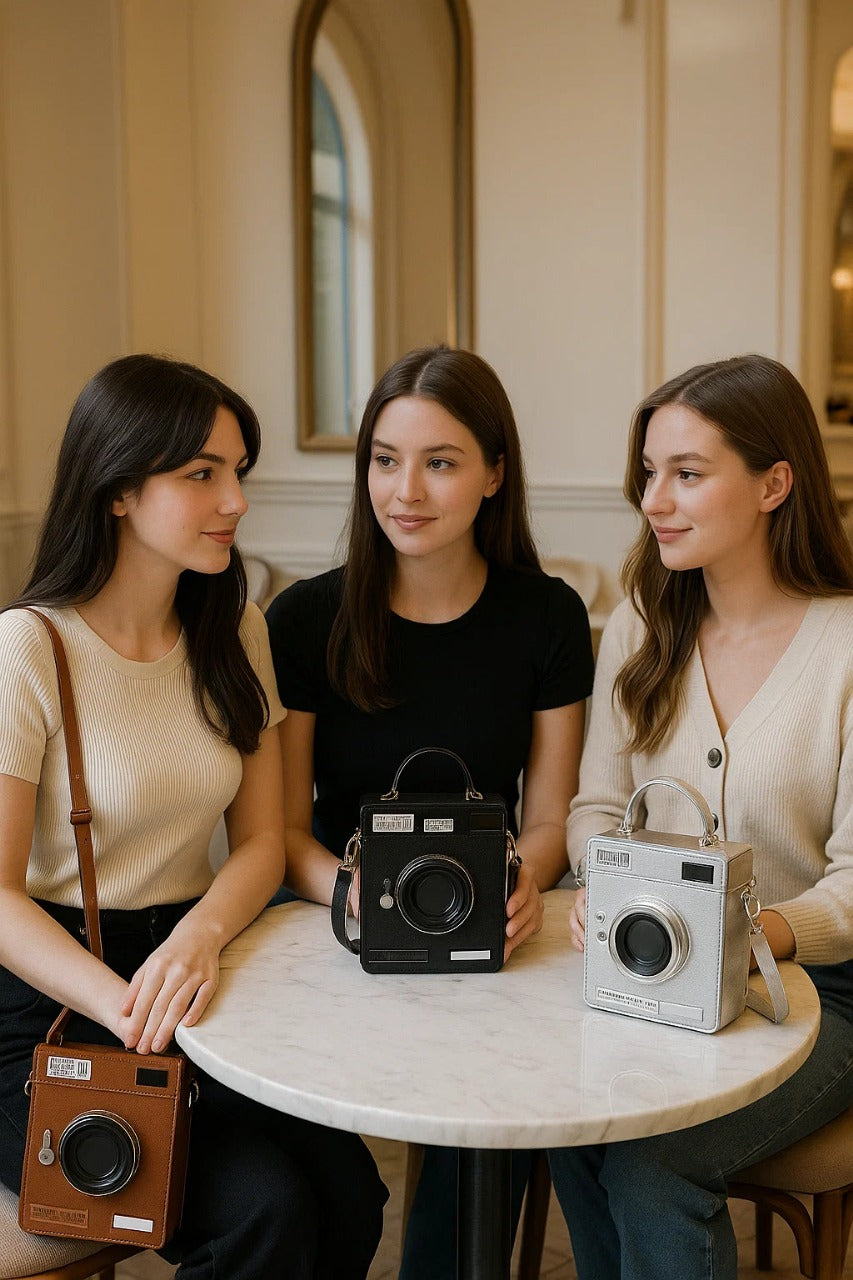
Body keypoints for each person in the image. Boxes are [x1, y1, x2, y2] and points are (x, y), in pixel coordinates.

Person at [0, 354, 387, 1280]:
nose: (236, 500)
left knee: (351, 1194)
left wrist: (201, 938)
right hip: (50, 1008)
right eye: (202, 474)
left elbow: (260, 841)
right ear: (119, 490)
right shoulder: (29, 648)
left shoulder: (233, 631)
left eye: (238, 472)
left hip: (189, 975)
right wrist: (124, 1003)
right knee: (264, 1211)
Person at [265, 344, 595, 1280]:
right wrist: (356, 896)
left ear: (494, 474)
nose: (404, 490)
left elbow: (548, 813)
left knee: (487, 1116)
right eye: (384, 458)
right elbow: (286, 836)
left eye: (440, 462)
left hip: (482, 922)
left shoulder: (548, 618)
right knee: (321, 1185)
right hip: (333, 928)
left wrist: (524, 875)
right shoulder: (304, 620)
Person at [548, 353, 853, 1280]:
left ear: (773, 482)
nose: (653, 499)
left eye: (686, 473)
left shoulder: (845, 647)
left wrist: (747, 932)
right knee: (566, 1115)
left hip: (817, 995)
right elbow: (595, 805)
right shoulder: (640, 626)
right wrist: (605, 885)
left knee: (651, 1158)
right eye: (649, 473)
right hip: (652, 976)